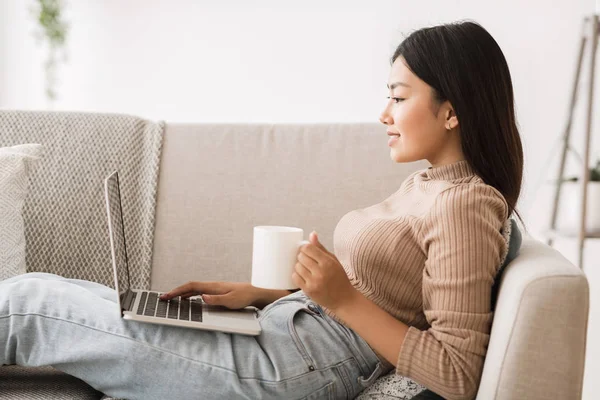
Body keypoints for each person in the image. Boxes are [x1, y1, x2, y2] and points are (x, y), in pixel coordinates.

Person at [0, 19, 524, 400]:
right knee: (46, 291)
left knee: (29, 307)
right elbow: (387, 296)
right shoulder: (430, 184)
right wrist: (265, 296)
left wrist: (338, 298)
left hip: (290, 369)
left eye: (399, 97)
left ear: (451, 110)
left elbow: (459, 374)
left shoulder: (466, 206)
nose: (384, 113)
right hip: (285, 335)